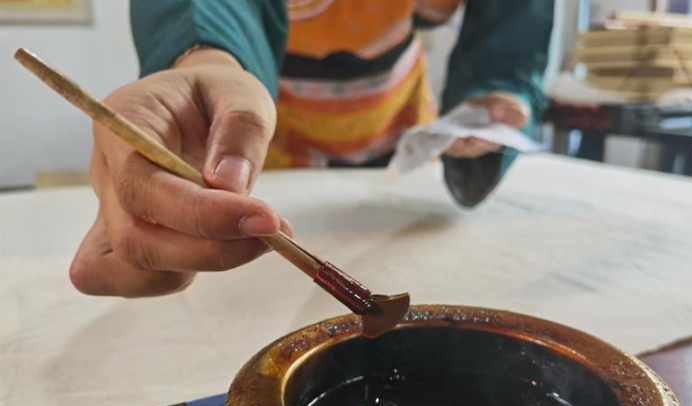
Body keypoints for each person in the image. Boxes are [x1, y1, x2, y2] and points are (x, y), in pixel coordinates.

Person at [70, 0, 553, 297]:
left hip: (394, 118)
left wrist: (499, 86)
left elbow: (514, 21)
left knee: (410, 258)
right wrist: (206, 61)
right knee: (256, 283)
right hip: (264, 127)